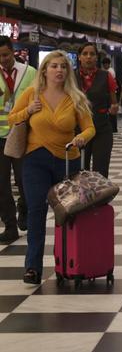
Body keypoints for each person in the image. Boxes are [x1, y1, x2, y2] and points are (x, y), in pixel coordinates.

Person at [8, 50, 95, 284]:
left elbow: (89, 128)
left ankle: (67, 261)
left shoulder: (75, 98)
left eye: (63, 67)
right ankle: (33, 267)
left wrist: (81, 138)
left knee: (67, 213)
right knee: (36, 210)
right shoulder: (32, 94)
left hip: (68, 158)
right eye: (54, 66)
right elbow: (12, 118)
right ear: (44, 70)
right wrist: (28, 111)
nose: (59, 70)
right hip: (35, 158)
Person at [0, 36, 36, 242]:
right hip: (0, 137)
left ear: (13, 51)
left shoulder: (29, 73)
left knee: (24, 181)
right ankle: (10, 226)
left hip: (24, 134)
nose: (3, 60)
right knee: (1, 184)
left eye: (5, 55)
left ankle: (24, 208)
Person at [76, 43, 118, 178]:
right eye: (85, 54)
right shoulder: (70, 76)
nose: (88, 57)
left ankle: (101, 199)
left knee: (100, 168)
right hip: (78, 130)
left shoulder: (106, 76)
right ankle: (82, 198)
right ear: (79, 57)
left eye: (92, 54)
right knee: (79, 170)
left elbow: (114, 102)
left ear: (96, 58)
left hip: (101, 127)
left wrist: (113, 107)